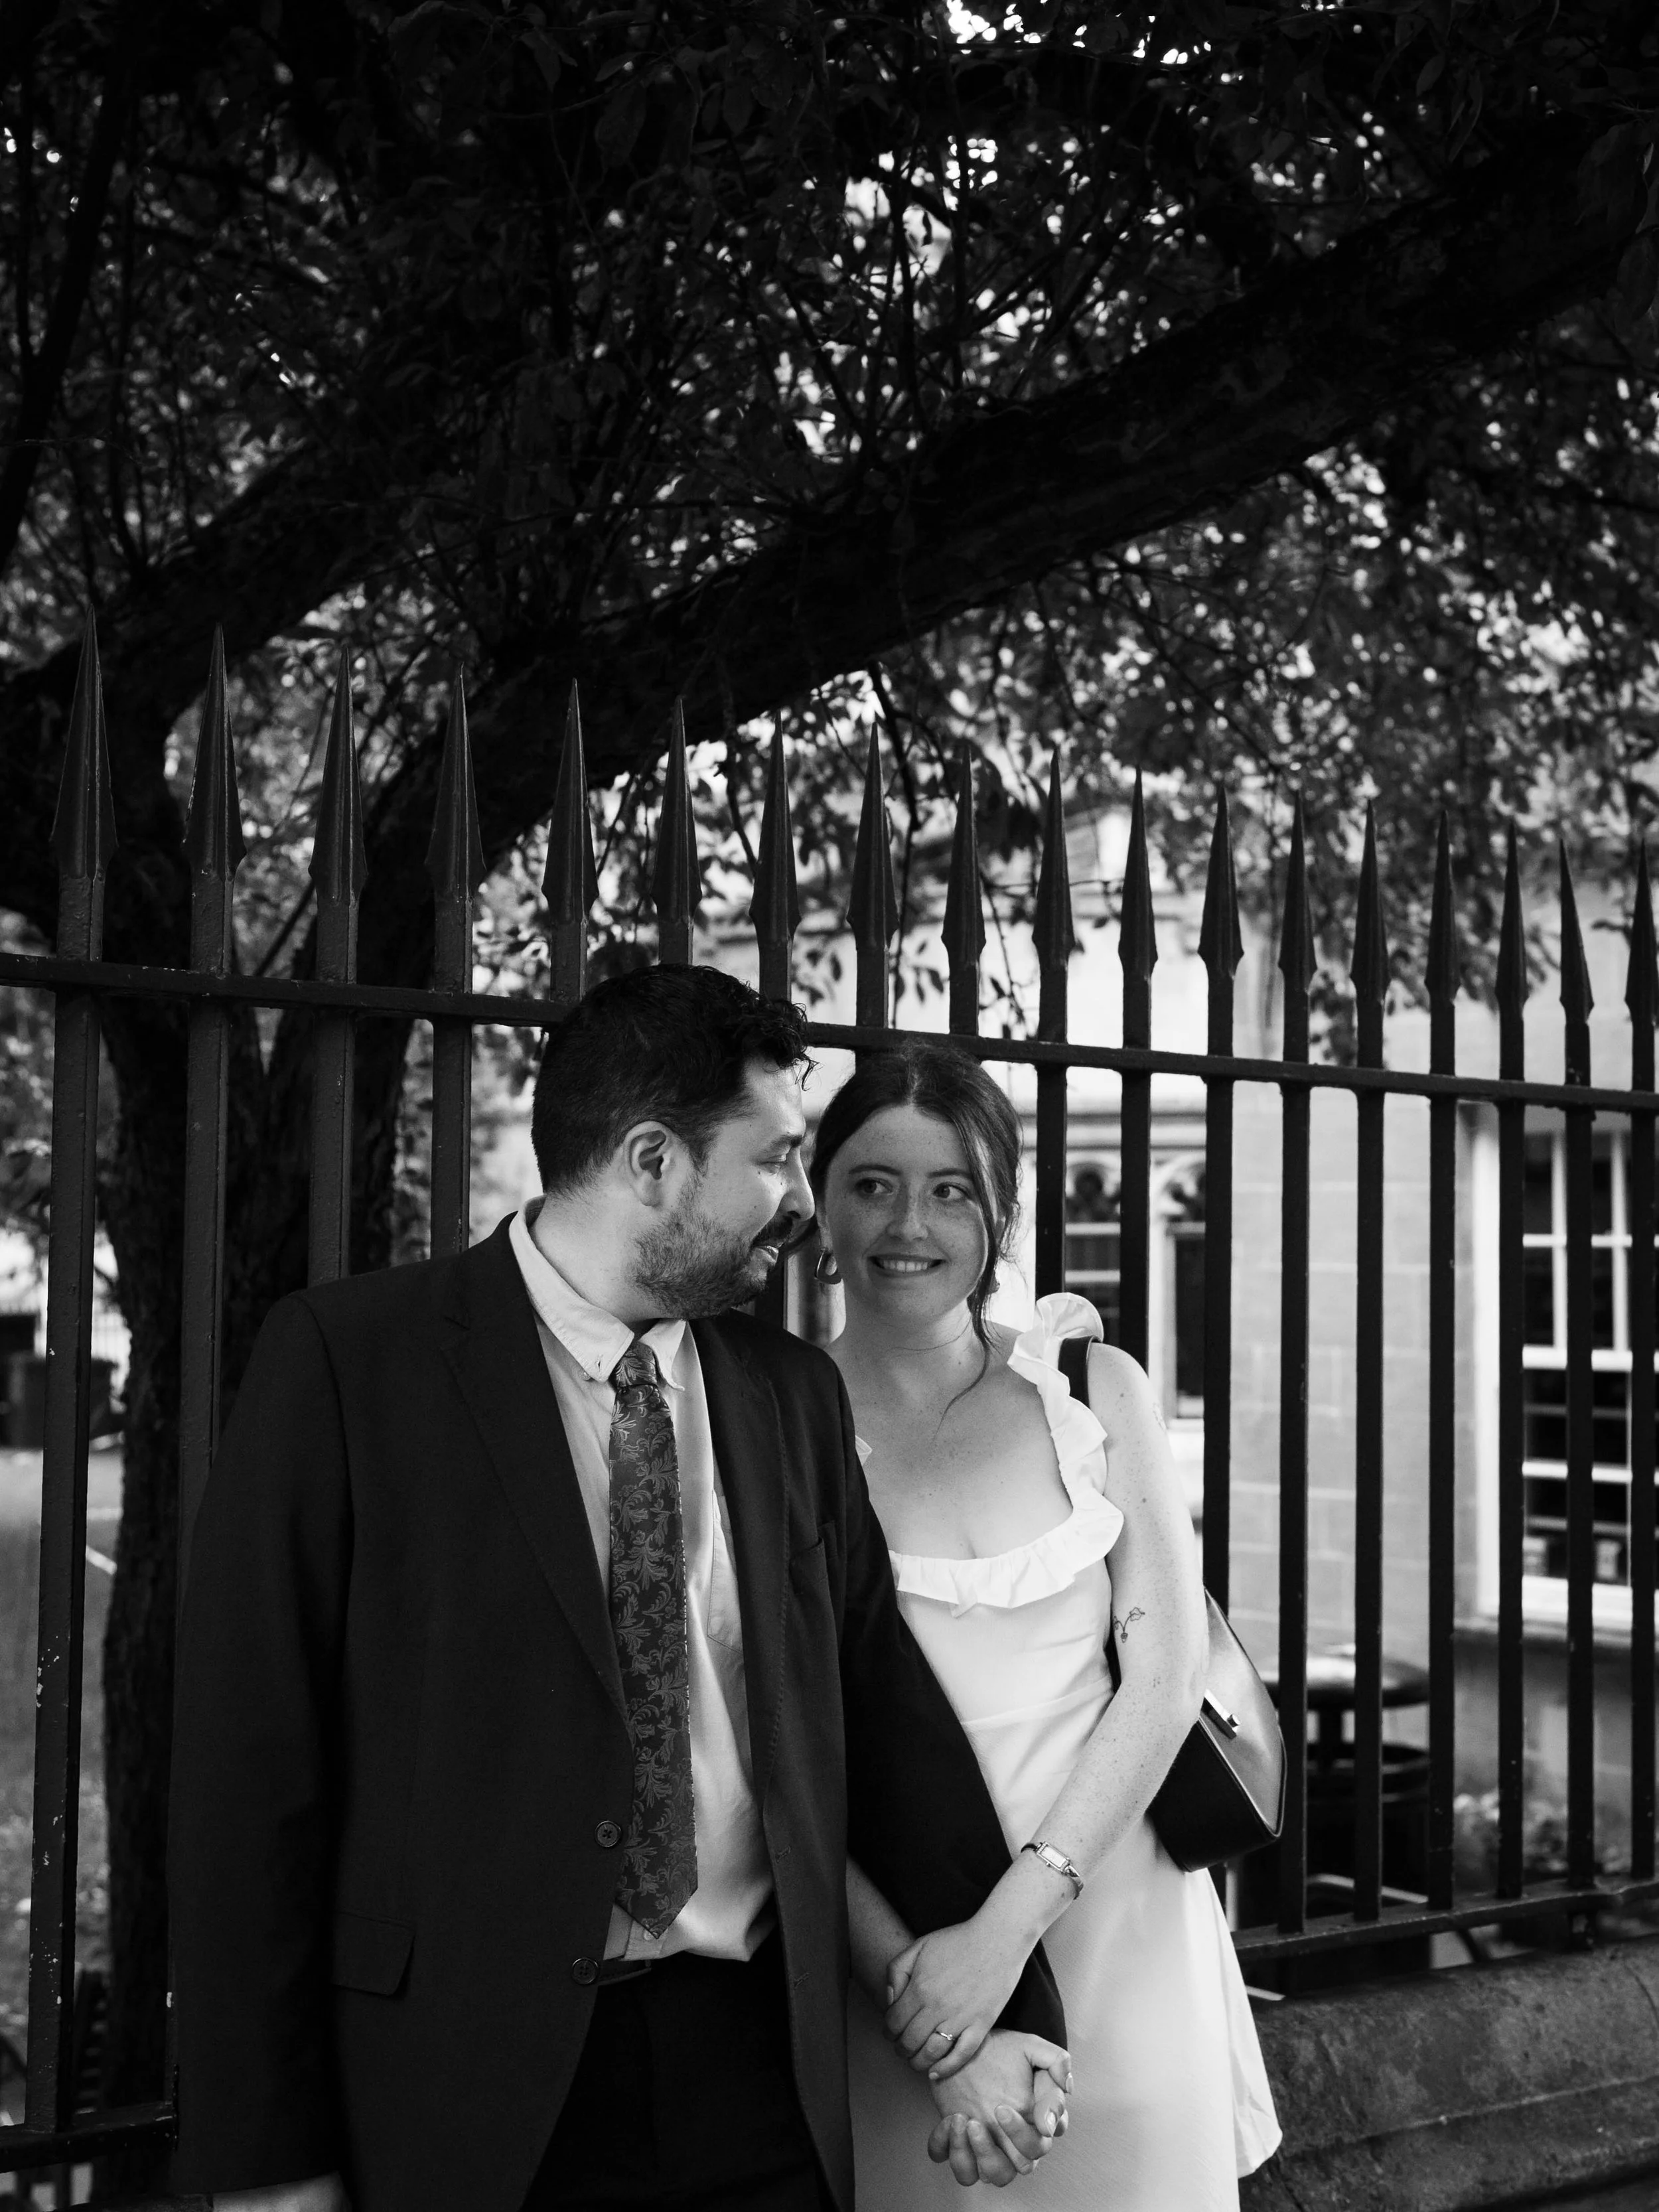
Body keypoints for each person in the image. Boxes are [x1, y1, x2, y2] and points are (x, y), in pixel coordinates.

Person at [168, 966, 1073, 2212]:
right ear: (652, 1160)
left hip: (758, 2073)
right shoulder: (347, 1365)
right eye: (777, 1160)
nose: (806, 1207)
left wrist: (1007, 2007)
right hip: (464, 2093)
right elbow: (247, 1782)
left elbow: (880, 1713)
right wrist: (268, 2164)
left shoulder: (788, 1395)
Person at [812, 1042, 1283, 2211]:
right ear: (819, 1201)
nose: (907, 1222)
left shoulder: (1094, 1389)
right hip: (906, 1967)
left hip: (1114, 1927)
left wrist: (1006, 1938)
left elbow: (1166, 1679)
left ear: (999, 1214)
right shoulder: (776, 1420)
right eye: (871, 1182)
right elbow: (777, 1757)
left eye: (950, 1188)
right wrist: (938, 2001)